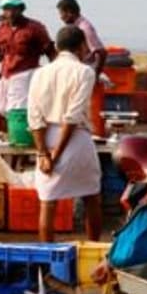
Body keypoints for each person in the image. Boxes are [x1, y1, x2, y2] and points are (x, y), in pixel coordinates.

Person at [27, 25, 103, 243]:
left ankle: (47, 260)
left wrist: (43, 153)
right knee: (91, 196)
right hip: (75, 140)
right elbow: (72, 116)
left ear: (58, 47)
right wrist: (57, 154)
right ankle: (93, 248)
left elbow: (34, 117)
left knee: (48, 201)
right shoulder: (85, 72)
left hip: (45, 137)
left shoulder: (40, 73)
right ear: (81, 47)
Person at [56, 0, 107, 133]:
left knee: (86, 105)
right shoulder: (75, 27)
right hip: (77, 70)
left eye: (62, 14)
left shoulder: (85, 28)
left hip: (87, 69)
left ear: (70, 12)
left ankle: (90, 131)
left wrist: (96, 73)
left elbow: (101, 52)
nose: (61, 18)